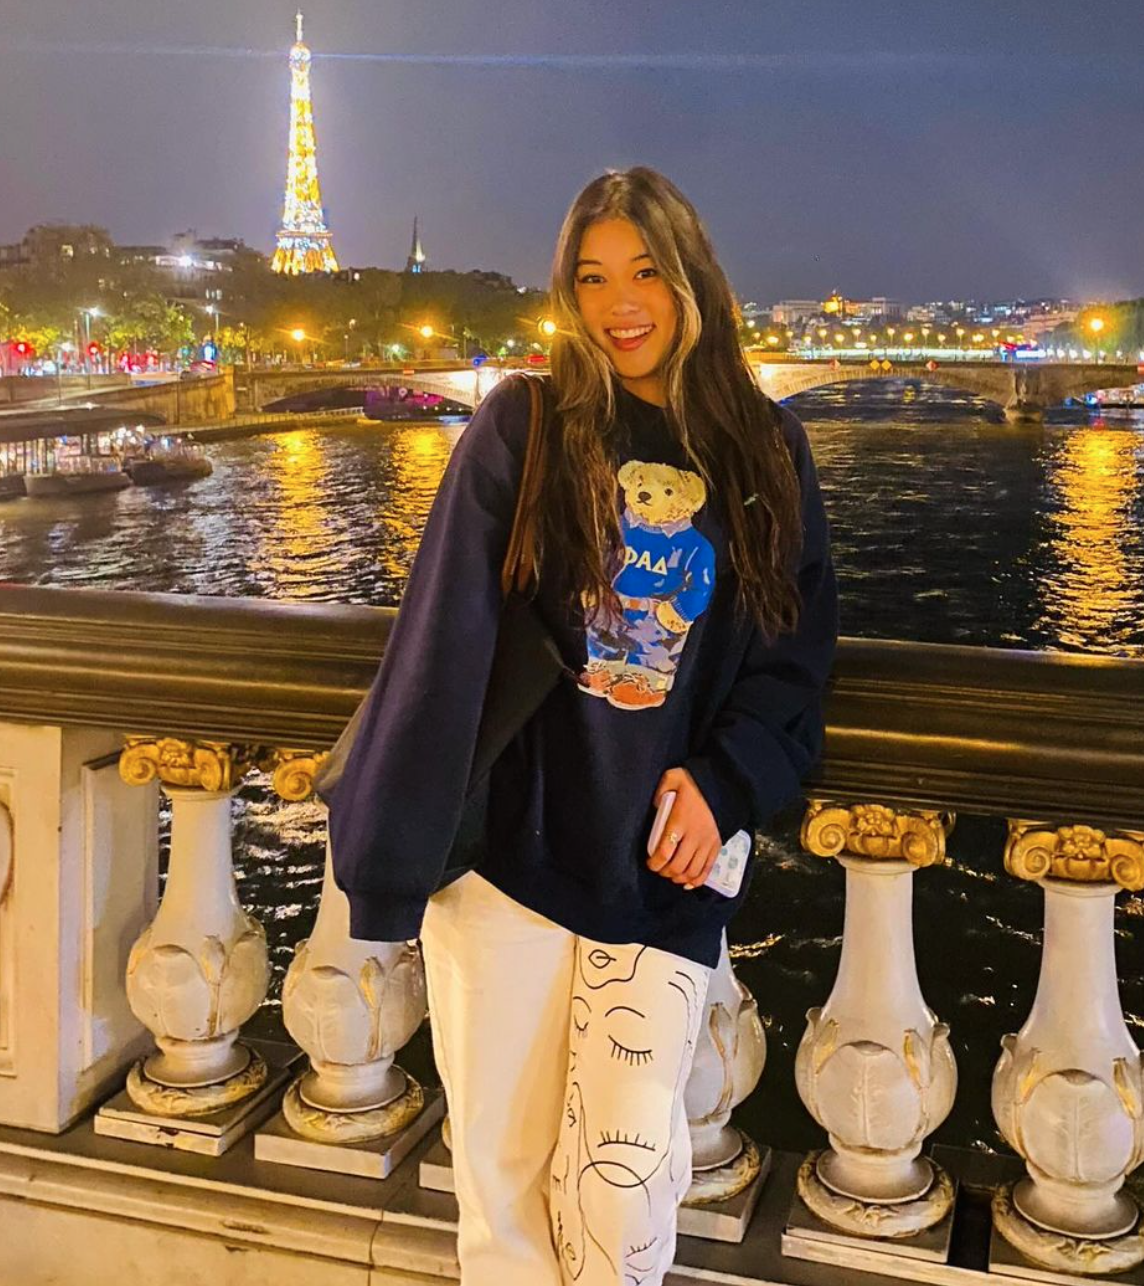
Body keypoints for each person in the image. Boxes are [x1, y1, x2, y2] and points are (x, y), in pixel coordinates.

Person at [327, 167, 838, 1286]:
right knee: (502, 1185)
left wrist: (728, 779)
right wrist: (388, 866)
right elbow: (441, 640)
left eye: (646, 271)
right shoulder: (525, 425)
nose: (621, 303)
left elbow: (791, 656)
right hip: (510, 861)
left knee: (624, 1191)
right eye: (593, 276)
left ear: (694, 279)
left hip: (665, 862)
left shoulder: (763, 449)